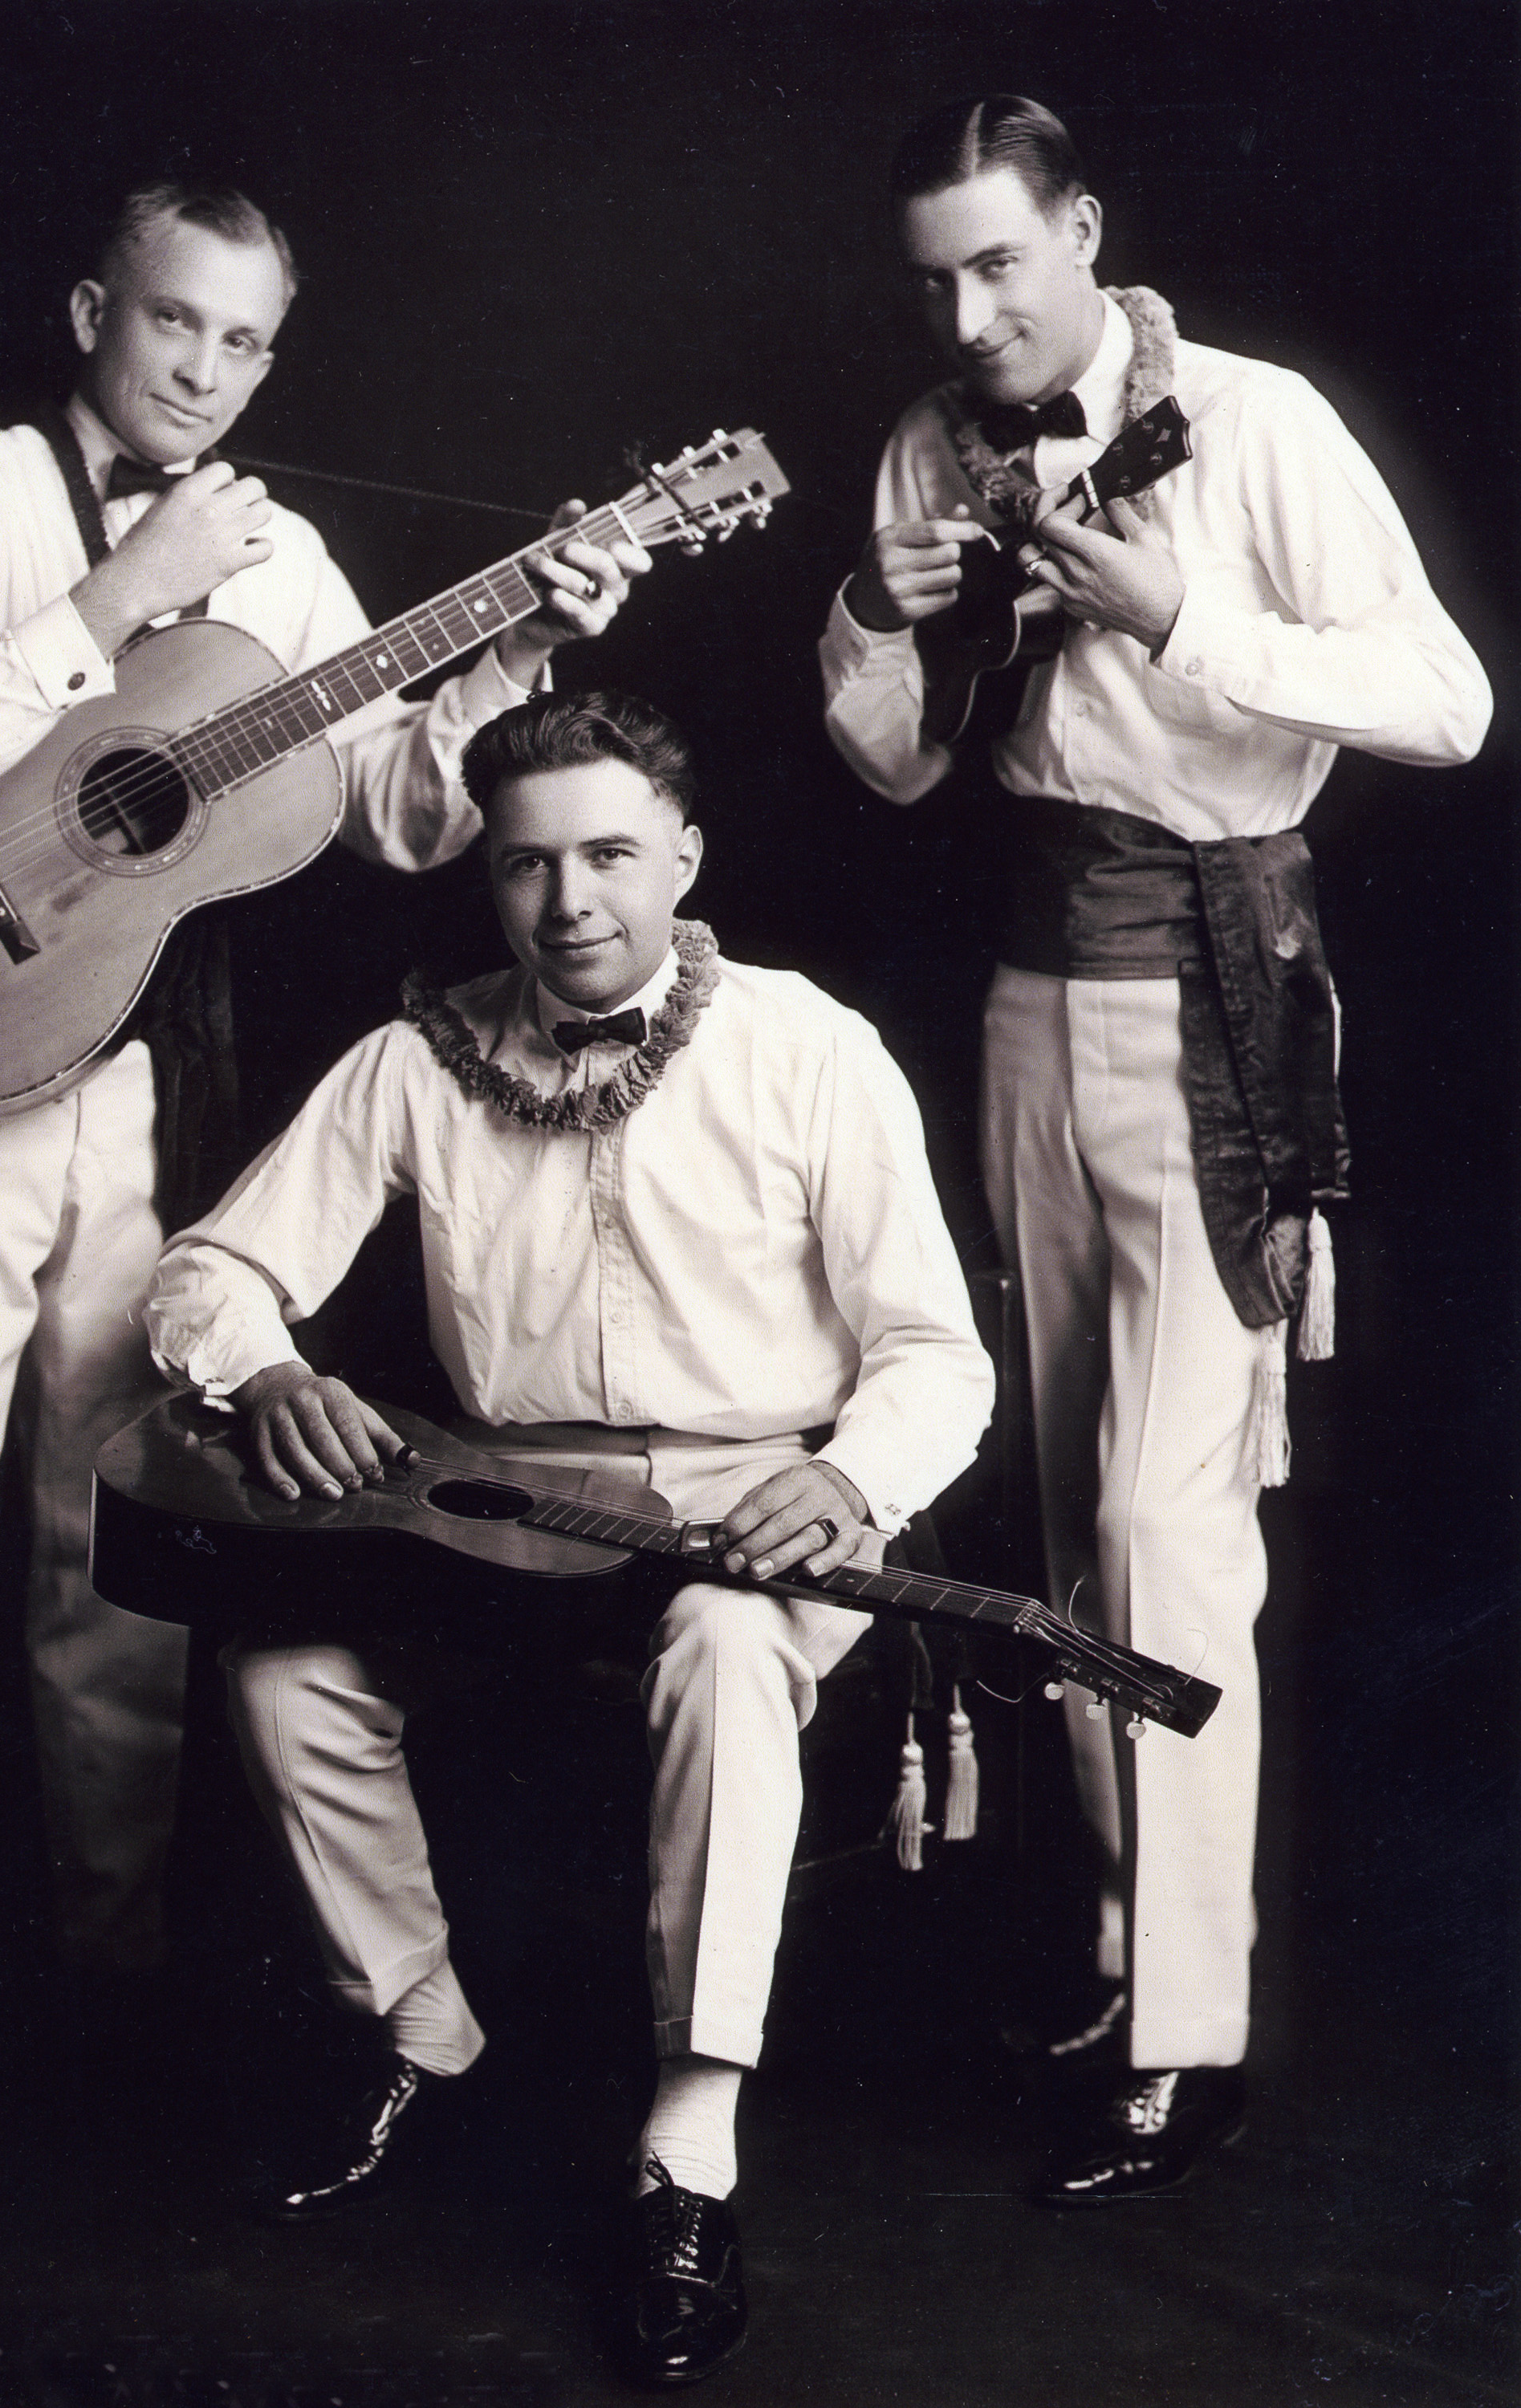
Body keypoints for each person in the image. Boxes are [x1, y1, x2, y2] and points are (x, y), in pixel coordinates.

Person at [0, 179, 649, 2153]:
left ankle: (112, 1969)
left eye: (247, 342)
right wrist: (110, 594)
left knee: (115, 1552)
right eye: (178, 324)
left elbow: (403, 812)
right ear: (96, 307)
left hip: (133, 1077)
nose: (209, 371)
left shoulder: (287, 558)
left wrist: (513, 650)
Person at [144, 689, 994, 2384]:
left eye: (611, 853)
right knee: (282, 1666)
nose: (572, 903)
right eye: (528, 866)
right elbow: (205, 1274)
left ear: (684, 852)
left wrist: (845, 1484)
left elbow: (935, 1353)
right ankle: (421, 2021)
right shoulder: (418, 1057)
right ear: (488, 878)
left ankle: (689, 2150)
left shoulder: (806, 1045)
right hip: (504, 1509)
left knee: (734, 1651)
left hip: (751, 1498)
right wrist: (268, 1366)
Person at [819, 95, 1490, 2203]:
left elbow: (1446, 702)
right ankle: (1127, 1949)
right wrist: (874, 601)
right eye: (935, 275)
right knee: (1055, 1517)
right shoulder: (930, 445)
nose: (970, 310)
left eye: (1002, 263)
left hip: (1215, 997)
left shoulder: (1260, 421)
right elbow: (905, 772)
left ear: (1084, 232)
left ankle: (1192, 2035)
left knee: (1171, 1528)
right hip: (1029, 996)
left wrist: (1185, 615)